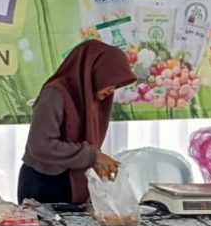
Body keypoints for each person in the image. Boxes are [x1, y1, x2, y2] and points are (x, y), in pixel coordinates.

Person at [18, 40, 135, 204]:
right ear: (94, 71)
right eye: (110, 80)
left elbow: (86, 145)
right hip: (43, 186)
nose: (112, 89)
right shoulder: (54, 94)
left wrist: (96, 161)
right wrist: (93, 156)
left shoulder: (90, 97)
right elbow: (40, 146)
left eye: (116, 85)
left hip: (72, 188)